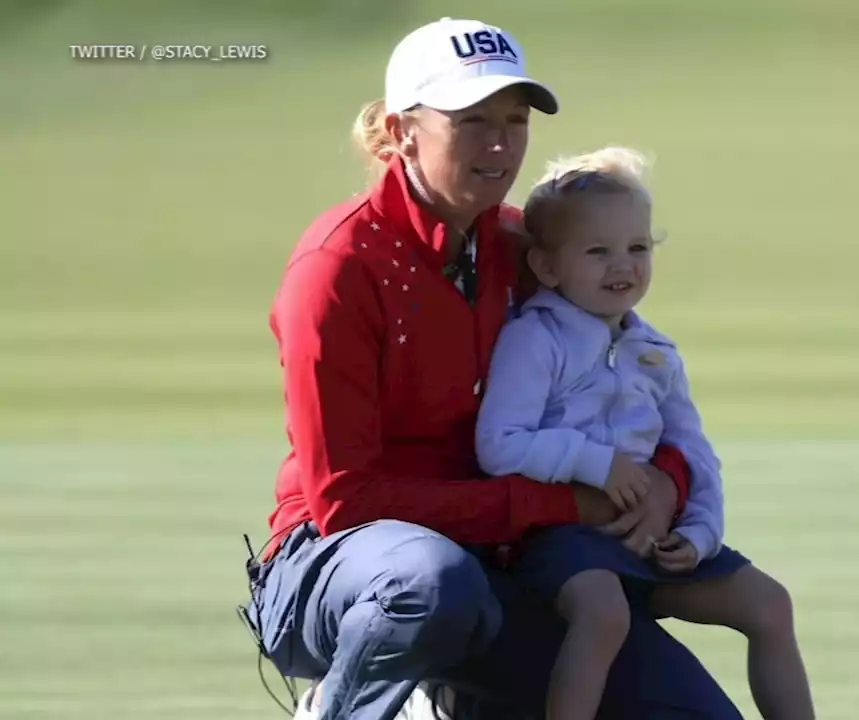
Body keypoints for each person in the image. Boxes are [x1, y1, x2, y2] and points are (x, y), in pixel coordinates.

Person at [239, 16, 745, 720]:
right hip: (336, 569)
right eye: (472, 120)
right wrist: (569, 504)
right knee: (431, 587)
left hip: (499, 557)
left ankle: (448, 693)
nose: (502, 142)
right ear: (400, 130)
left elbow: (625, 380)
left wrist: (667, 481)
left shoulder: (522, 245)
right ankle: (352, 702)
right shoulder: (338, 269)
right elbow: (345, 503)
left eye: (515, 118)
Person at [473, 147, 815, 720]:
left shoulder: (654, 350)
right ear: (548, 267)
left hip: (648, 543)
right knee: (604, 612)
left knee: (770, 604)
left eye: (637, 248)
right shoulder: (536, 339)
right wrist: (596, 464)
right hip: (561, 538)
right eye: (598, 252)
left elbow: (693, 453)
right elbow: (500, 443)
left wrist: (701, 532)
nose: (623, 267)